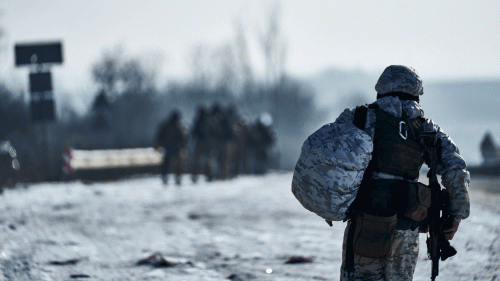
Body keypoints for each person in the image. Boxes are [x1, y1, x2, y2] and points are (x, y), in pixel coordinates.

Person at [335, 65, 470, 280]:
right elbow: (456, 169)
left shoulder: (362, 119)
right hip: (407, 230)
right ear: (416, 94)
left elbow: (331, 159)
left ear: (381, 91)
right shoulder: (427, 128)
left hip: (365, 226)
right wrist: (456, 215)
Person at [155, 110, 186, 185]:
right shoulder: (172, 126)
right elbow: (160, 136)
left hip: (172, 146)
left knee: (174, 162)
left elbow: (181, 138)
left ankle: (175, 177)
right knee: (169, 162)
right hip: (169, 146)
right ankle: (168, 176)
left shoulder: (174, 126)